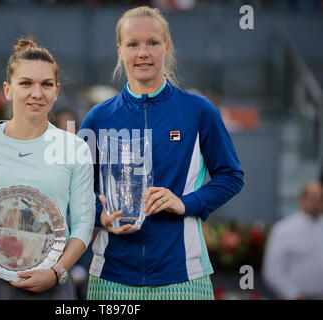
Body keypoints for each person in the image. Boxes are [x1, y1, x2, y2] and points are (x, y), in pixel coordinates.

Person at [79, 6, 244, 300]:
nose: (143, 52)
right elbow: (76, 190)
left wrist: (186, 203)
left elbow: (231, 176)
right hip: (111, 277)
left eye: (152, 42)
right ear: (120, 50)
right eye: (133, 44)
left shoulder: (199, 111)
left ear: (166, 46)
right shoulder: (98, 118)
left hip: (183, 276)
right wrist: (99, 215)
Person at [0, 38, 95, 300]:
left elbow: (83, 224)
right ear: (7, 89)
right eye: (26, 83)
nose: (37, 93)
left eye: (46, 84)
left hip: (53, 283)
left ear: (56, 90)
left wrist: (57, 272)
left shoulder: (75, 147)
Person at [262, 180, 323, 300]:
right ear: (301, 200)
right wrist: (293, 294)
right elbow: (272, 270)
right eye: (312, 198)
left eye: (320, 198)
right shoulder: (283, 229)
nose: (316, 202)